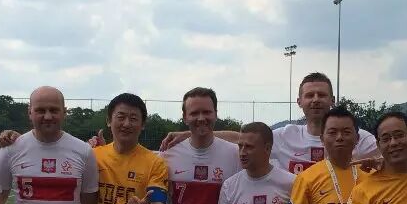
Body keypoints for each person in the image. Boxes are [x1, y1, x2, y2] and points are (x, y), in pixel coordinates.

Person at [159, 71, 377, 174]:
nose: (316, 100)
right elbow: (241, 138)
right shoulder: (286, 135)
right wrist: (189, 134)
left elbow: (391, 157)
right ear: (299, 101)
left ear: (333, 100)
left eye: (322, 95)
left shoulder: (358, 137)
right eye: (310, 95)